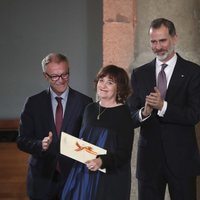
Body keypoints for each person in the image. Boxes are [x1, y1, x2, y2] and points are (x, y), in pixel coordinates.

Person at [128, 18, 200, 200]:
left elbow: (194, 115)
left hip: (182, 161)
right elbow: (129, 117)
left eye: (163, 40)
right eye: (153, 41)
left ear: (175, 38)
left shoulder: (194, 72)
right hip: (149, 162)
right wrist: (143, 113)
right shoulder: (139, 74)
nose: (158, 47)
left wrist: (163, 106)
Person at [17, 53, 93, 200]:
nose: (61, 80)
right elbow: (22, 140)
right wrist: (41, 144)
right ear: (45, 76)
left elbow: (90, 140)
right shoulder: (33, 103)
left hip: (74, 179)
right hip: (42, 180)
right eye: (55, 76)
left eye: (65, 74)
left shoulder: (85, 102)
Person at [61, 65, 134, 200]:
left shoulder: (123, 114)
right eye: (101, 80)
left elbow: (124, 153)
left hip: (110, 178)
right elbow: (83, 139)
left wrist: (102, 161)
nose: (103, 85)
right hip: (85, 174)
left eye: (110, 82)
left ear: (119, 88)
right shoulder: (90, 109)